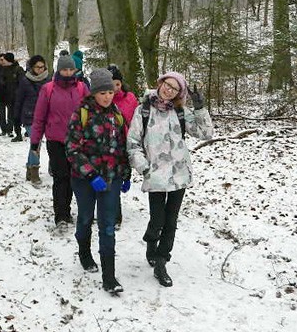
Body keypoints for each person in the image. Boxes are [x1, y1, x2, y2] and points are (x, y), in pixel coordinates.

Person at [126, 72, 213, 287]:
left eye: (174, 89)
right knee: (157, 220)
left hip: (178, 174)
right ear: (160, 83)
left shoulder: (182, 112)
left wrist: (200, 108)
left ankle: (161, 261)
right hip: (155, 175)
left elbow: (206, 133)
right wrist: (143, 167)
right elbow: (133, 143)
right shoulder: (143, 110)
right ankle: (150, 242)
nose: (168, 90)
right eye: (167, 85)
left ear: (178, 93)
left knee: (171, 221)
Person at [65, 68, 131, 294]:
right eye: (102, 93)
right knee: (85, 219)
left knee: (108, 226)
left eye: (110, 92)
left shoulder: (117, 115)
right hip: (84, 180)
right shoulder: (81, 114)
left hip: (110, 179)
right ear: (94, 93)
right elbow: (72, 149)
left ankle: (109, 277)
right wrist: (90, 175)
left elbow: (122, 147)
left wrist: (125, 173)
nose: (107, 97)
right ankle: (84, 252)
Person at [30, 54, 90, 226]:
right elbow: (39, 117)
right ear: (58, 70)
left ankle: (70, 210)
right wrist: (35, 142)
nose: (68, 72)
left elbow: (91, 113)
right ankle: (61, 214)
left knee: (75, 177)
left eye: (71, 69)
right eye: (65, 69)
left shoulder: (81, 88)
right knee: (60, 177)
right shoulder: (48, 89)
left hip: (78, 141)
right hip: (55, 140)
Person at [108, 64, 139, 227]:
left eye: (117, 84)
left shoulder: (130, 98)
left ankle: (126, 180)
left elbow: (138, 120)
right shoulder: (102, 98)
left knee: (121, 176)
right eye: (111, 84)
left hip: (126, 143)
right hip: (107, 144)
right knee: (110, 179)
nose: (114, 88)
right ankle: (114, 215)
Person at [14, 55, 50, 183]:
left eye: (42, 67)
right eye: (37, 67)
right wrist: (16, 117)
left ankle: (30, 167)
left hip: (46, 115)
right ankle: (34, 170)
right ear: (32, 67)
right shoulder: (25, 80)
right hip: (30, 116)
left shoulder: (49, 80)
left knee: (36, 144)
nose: (40, 70)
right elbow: (19, 99)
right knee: (37, 143)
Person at [0, 52, 24, 140]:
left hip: (12, 96)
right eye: (1, 60)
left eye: (4, 60)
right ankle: (4, 129)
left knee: (11, 114)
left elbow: (21, 84)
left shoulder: (17, 70)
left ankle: (10, 129)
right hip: (0, 96)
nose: (2, 61)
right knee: (2, 114)